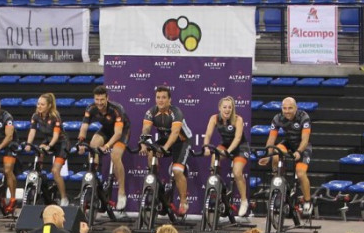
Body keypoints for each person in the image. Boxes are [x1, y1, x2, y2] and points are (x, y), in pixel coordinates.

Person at [141, 86, 192, 214]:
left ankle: (183, 201)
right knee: (151, 152)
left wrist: (164, 149)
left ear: (170, 100)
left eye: (164, 97)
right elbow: (146, 130)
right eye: (158, 97)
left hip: (182, 141)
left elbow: (175, 134)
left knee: (177, 170)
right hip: (165, 139)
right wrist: (143, 143)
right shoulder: (151, 112)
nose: (161, 100)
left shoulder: (176, 112)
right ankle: (155, 182)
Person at [77, 85, 129, 211]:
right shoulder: (91, 108)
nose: (99, 103)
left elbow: (117, 133)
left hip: (121, 132)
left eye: (102, 100)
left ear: (107, 98)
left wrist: (107, 145)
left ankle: (121, 192)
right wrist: (80, 141)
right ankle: (93, 180)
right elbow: (84, 127)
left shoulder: (116, 109)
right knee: (92, 145)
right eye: (97, 99)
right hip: (106, 130)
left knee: (115, 156)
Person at [258, 97, 312, 215]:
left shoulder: (304, 117)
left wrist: (298, 152)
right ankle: (277, 182)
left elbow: (305, 139)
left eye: (290, 108)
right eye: (284, 108)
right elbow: (271, 139)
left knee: (301, 173)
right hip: (288, 143)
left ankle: (308, 201)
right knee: (276, 153)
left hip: (303, 147)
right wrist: (268, 156)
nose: (287, 111)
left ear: (296, 108)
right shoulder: (277, 118)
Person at [203, 97, 251, 217]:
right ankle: (216, 188)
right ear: (220, 108)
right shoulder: (214, 118)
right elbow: (208, 134)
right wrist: (205, 147)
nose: (227, 109)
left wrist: (228, 151)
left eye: (230, 107)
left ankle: (244, 201)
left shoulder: (238, 119)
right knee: (215, 157)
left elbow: (238, 138)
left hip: (240, 147)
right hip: (225, 144)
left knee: (237, 172)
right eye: (225, 107)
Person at [25, 92, 69, 206]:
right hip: (49, 140)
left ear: (49, 106)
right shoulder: (35, 116)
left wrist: (49, 146)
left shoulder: (55, 116)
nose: (39, 106)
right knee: (39, 149)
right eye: (38, 104)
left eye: (42, 104)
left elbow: (56, 136)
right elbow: (32, 131)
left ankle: (64, 198)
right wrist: (28, 144)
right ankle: (39, 175)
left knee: (55, 171)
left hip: (61, 143)